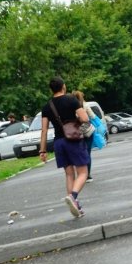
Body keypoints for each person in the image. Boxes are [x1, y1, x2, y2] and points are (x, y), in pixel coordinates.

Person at [39, 76, 90, 219]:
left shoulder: (47, 106)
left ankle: (76, 206)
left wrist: (42, 150)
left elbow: (43, 130)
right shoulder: (71, 100)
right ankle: (73, 197)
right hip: (72, 139)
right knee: (83, 172)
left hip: (59, 143)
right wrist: (77, 120)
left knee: (69, 174)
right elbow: (85, 119)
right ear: (64, 87)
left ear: (51, 89)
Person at [71, 90, 96, 182]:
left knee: (78, 153)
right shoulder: (85, 105)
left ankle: (80, 175)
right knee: (87, 152)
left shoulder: (70, 106)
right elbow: (92, 116)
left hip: (76, 132)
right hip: (87, 131)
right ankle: (87, 175)